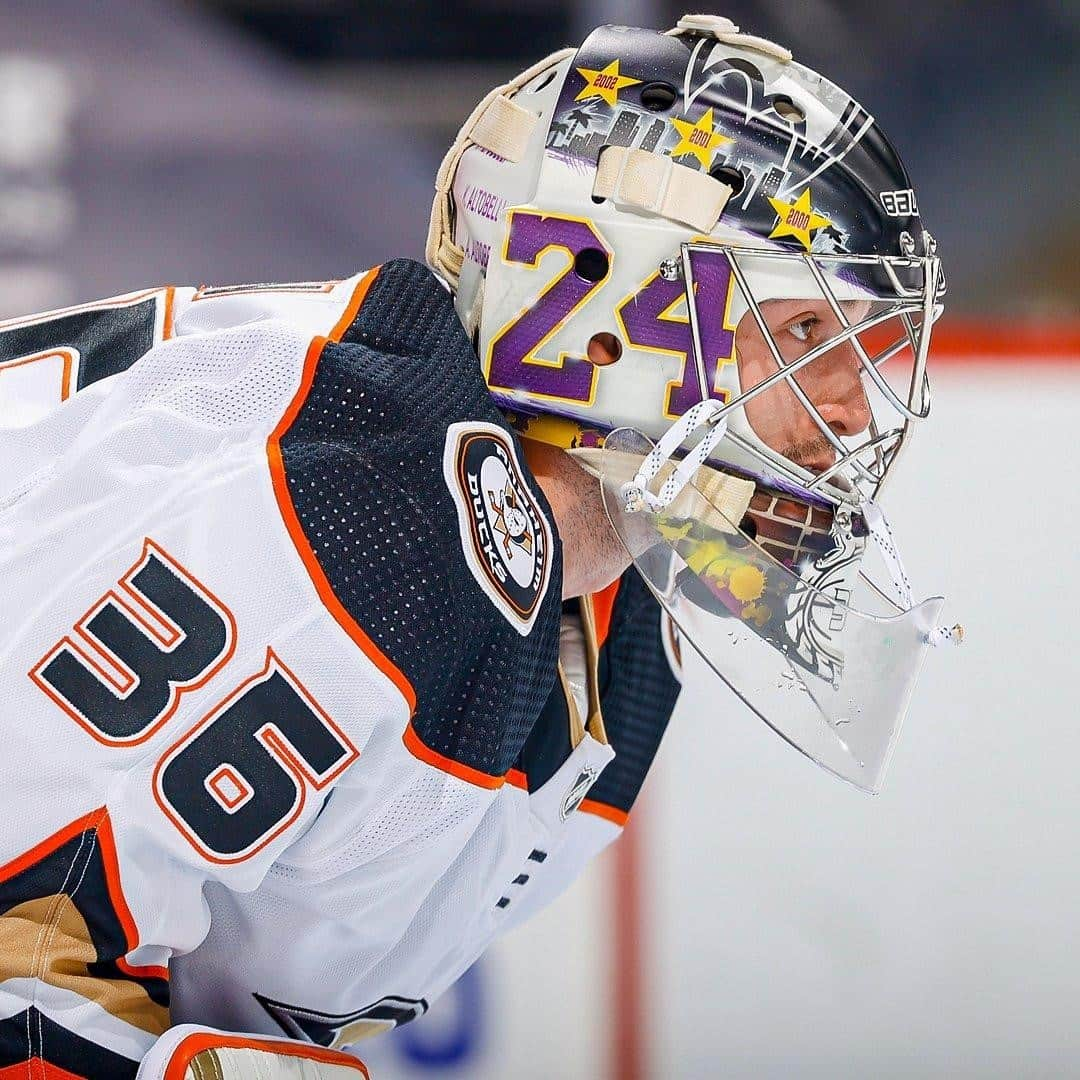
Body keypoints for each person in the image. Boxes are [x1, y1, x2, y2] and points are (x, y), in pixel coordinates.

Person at [0, 14, 956, 1079]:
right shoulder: (355, 508)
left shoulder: (619, 625)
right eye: (808, 336)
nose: (855, 411)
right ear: (609, 315)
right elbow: (18, 967)